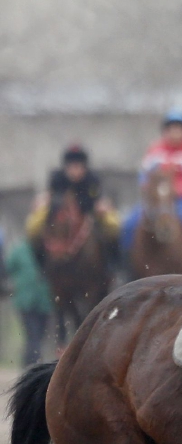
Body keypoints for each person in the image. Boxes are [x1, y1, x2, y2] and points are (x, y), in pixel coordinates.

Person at [126, 110, 182, 260]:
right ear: (165, 131)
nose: (175, 132)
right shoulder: (155, 150)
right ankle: (125, 268)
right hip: (156, 200)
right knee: (129, 224)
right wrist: (153, 191)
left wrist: (178, 190)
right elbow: (143, 177)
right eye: (171, 128)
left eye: (179, 129)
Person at [27, 144, 119, 251]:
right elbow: (52, 196)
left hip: (89, 213)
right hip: (59, 213)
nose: (75, 169)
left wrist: (101, 205)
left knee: (112, 223)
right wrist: (43, 201)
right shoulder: (57, 178)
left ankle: (113, 258)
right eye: (71, 166)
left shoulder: (92, 179)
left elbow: (95, 198)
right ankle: (37, 255)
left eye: (78, 165)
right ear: (65, 167)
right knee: (34, 224)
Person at [5, 233, 51, 366]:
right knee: (33, 335)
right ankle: (31, 365)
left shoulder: (50, 251)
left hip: (44, 301)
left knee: (39, 336)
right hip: (26, 301)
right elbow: (7, 268)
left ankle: (30, 364)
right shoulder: (20, 251)